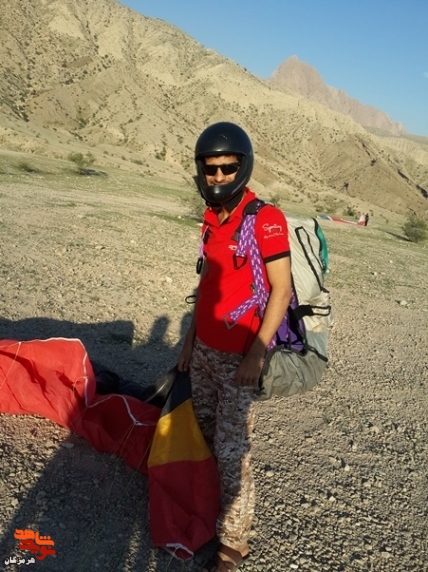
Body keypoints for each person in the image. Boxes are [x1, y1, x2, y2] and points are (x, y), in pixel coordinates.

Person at [178, 122, 292, 571]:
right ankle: (211, 508)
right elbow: (206, 285)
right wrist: (189, 342)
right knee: (206, 435)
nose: (219, 176)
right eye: (211, 169)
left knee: (232, 451)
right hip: (204, 352)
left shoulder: (265, 218)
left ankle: (233, 545)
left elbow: (281, 290)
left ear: (242, 167)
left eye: (227, 168)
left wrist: (256, 354)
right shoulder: (212, 218)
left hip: (239, 359)